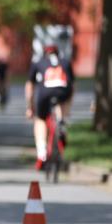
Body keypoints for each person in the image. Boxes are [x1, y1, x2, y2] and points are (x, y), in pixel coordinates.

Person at [25, 41, 74, 170]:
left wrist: (30, 107)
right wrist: (68, 109)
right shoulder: (65, 62)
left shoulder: (39, 62)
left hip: (45, 93)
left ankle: (41, 154)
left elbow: (30, 86)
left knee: (40, 120)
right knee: (62, 102)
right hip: (63, 91)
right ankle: (61, 123)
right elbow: (72, 86)